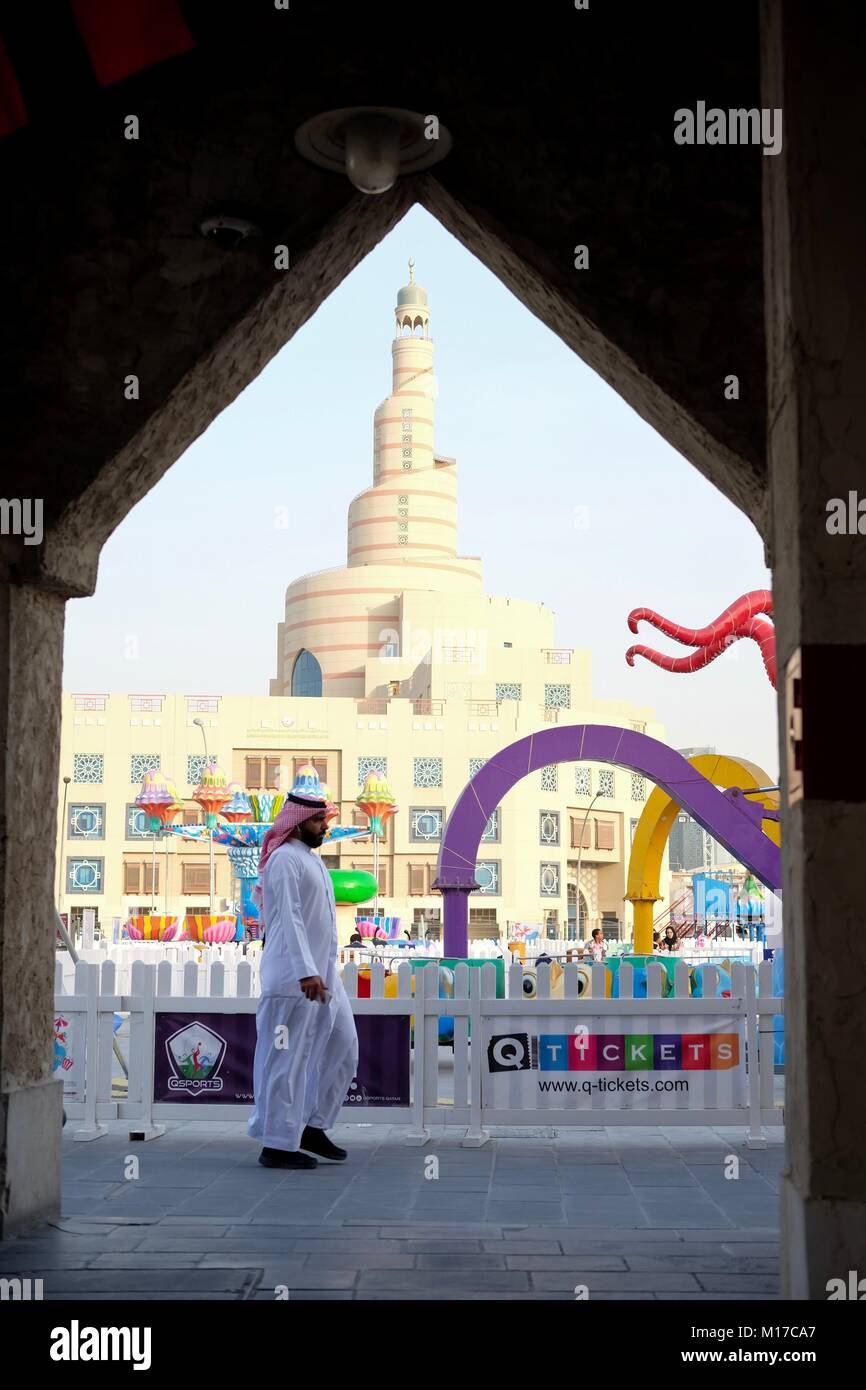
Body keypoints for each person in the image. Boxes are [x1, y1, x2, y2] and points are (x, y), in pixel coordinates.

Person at [247, 784, 358, 1170]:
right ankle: (277, 1144)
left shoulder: (312, 860)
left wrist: (321, 971)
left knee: (344, 1047)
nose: (323, 825)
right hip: (295, 981)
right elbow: (290, 919)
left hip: (323, 979)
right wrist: (305, 972)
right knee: (286, 1060)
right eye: (317, 819)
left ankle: (312, 1125)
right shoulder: (283, 860)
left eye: (324, 818)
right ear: (295, 823)